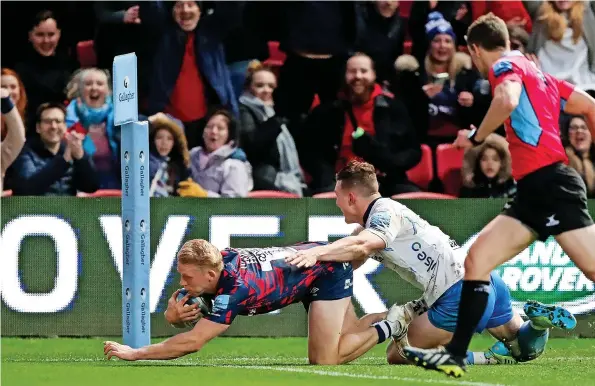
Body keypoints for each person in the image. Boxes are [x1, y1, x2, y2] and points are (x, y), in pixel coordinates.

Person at [403, 13, 595, 378]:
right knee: (477, 261)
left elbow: (506, 100)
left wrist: (475, 138)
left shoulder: (506, 65)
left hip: (551, 185)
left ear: (474, 50)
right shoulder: (538, 72)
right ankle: (456, 355)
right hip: (532, 191)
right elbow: (588, 105)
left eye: (471, 54)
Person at [285, 160, 576, 367]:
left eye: (337, 196)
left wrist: (317, 254)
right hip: (485, 279)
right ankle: (538, 326)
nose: (335, 202)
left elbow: (364, 245)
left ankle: (483, 357)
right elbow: (355, 254)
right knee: (523, 350)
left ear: (350, 197)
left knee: (398, 355)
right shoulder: (375, 220)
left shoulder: (384, 212)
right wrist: (316, 277)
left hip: (457, 292)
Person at [104, 239, 406, 364]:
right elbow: (203, 302)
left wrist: (136, 353)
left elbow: (193, 342)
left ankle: (393, 324)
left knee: (325, 359)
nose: (182, 284)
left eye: (187, 278)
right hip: (307, 264)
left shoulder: (234, 288)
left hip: (325, 271)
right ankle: (406, 317)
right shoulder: (218, 260)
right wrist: (175, 317)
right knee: (350, 331)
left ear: (210, 274)